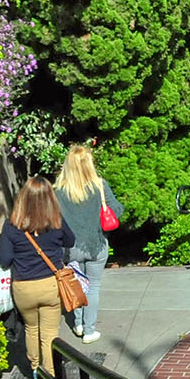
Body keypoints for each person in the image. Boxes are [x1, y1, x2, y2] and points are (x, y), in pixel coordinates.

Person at [0, 177, 77, 379]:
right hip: (50, 284)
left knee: (32, 329)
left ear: (22, 198)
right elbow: (71, 240)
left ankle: (36, 370)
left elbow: (4, 259)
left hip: (23, 286)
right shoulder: (55, 222)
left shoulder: (11, 226)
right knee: (50, 333)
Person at [55, 146, 123, 346]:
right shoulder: (100, 185)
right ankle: (89, 330)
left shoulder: (59, 190)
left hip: (69, 247)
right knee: (93, 286)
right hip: (96, 244)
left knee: (75, 283)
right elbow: (117, 210)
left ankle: (77, 324)